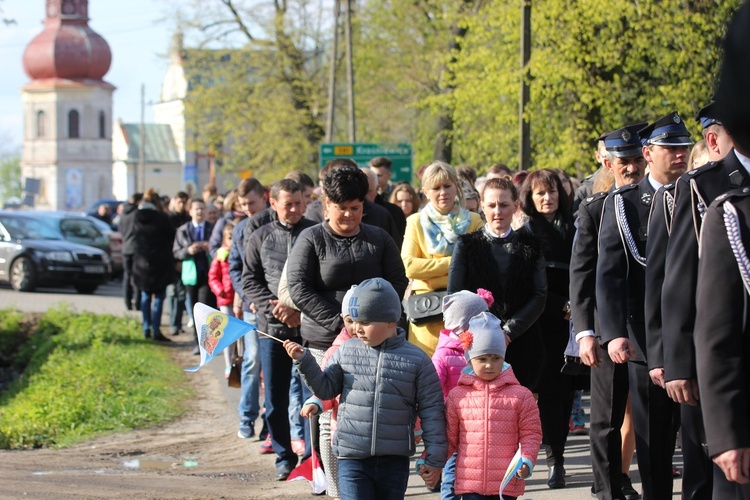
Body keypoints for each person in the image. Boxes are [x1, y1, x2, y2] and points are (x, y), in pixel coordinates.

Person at [286, 165, 408, 486]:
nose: (349, 216)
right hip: (325, 341)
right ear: (327, 205)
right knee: (329, 418)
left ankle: (369, 481)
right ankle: (335, 486)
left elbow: (397, 280)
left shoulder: (379, 238)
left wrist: (376, 322)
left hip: (375, 342)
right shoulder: (310, 239)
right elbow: (299, 288)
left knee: (371, 412)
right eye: (342, 209)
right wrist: (343, 324)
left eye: (356, 208)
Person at [283, 278, 447, 499]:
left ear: (391, 320)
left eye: (366, 322)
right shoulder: (346, 351)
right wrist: (304, 361)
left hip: (394, 460)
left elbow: (432, 411)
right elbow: (326, 390)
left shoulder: (417, 360)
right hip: (351, 457)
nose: (357, 329)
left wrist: (434, 458)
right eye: (355, 321)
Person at [598, 112, 691, 500]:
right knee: (653, 444)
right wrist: (614, 331)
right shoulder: (624, 203)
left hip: (694, 338)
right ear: (649, 153)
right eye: (671, 148)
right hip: (643, 338)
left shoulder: (699, 193)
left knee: (700, 445)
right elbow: (609, 274)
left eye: (685, 148)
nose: (681, 155)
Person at [660, 104, 743, 499]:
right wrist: (676, 362)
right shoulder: (701, 186)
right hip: (715, 356)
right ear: (714, 140)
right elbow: (677, 279)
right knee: (705, 471)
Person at [572, 124, 646, 500]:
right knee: (605, 419)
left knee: (651, 418)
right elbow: (581, 275)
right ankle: (606, 490)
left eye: (637, 160)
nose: (631, 169)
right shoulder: (595, 210)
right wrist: (584, 332)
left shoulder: (658, 203)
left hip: (650, 328)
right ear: (609, 164)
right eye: (624, 162)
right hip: (605, 330)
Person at [243, 179, 315, 481]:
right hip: (272, 330)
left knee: (315, 397)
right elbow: (250, 280)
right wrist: (276, 307)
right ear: (273, 203)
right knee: (275, 399)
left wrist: (300, 309)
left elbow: (322, 277)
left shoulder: (315, 233)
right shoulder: (259, 236)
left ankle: (313, 458)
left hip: (310, 327)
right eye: (289, 204)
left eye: (300, 203)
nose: (296, 209)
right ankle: (284, 456)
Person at [448, 177, 546, 392]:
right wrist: (484, 335)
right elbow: (455, 297)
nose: (498, 211)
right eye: (491, 205)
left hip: (524, 343)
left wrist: (508, 332)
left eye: (504, 205)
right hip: (478, 348)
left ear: (515, 207)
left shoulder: (531, 246)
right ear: (482, 207)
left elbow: (539, 295)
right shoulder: (466, 245)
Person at [445, 311, 542, 500]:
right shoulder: (458, 396)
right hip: (469, 483)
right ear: (470, 359)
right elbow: (449, 437)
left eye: (495, 358)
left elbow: (531, 433)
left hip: (505, 484)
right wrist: (430, 461)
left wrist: (527, 460)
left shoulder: (521, 395)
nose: (489, 365)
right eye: (482, 359)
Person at [519, 168, 576, 489]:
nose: (547, 198)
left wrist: (577, 307)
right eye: (540, 192)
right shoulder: (528, 231)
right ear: (530, 196)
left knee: (567, 394)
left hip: (577, 320)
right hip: (543, 322)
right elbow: (529, 283)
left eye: (552, 191)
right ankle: (551, 459)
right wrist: (560, 306)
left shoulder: (577, 225)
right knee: (547, 393)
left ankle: (560, 456)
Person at [401, 161, 483, 356]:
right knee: (426, 377)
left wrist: (431, 273)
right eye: (436, 188)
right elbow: (410, 267)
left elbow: (478, 266)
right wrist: (455, 263)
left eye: (447, 185)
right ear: (426, 192)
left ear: (456, 186)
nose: (442, 192)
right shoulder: (415, 222)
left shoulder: (474, 221)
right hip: (426, 315)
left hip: (465, 314)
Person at [432, 289, 493, 499]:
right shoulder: (444, 354)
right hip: (454, 426)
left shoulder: (484, 350)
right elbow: (433, 389)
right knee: (451, 473)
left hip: (480, 427)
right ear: (464, 324)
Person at [227, 177, 267, 442]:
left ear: (263, 197)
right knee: (253, 361)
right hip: (253, 306)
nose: (248, 209)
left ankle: (273, 422)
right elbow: (235, 268)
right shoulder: (240, 229)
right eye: (243, 205)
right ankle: (246, 418)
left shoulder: (275, 224)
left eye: (251, 203)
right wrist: (245, 296)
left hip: (275, 305)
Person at [131, 189, 175, 342]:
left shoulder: (136, 217)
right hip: (160, 261)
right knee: (159, 297)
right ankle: (156, 330)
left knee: (145, 296)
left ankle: (145, 327)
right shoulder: (162, 218)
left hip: (141, 261)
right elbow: (171, 236)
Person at [173, 198, 216, 354]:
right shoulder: (183, 230)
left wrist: (208, 247)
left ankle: (208, 342)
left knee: (205, 308)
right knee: (194, 309)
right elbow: (176, 252)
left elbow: (219, 246)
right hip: (191, 275)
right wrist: (188, 251)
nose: (199, 212)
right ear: (190, 211)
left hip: (208, 274)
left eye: (202, 209)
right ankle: (197, 343)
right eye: (196, 209)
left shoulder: (212, 228)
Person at [208, 221, 237, 378]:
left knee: (241, 334)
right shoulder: (221, 255)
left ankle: (238, 361)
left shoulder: (241, 253)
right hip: (226, 300)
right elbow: (213, 277)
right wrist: (220, 291)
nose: (232, 241)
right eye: (229, 237)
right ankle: (228, 364)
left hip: (239, 300)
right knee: (227, 333)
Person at [167, 191, 191, 336]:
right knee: (172, 293)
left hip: (185, 262)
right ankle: (173, 323)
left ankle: (178, 322)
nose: (181, 205)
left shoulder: (187, 218)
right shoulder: (169, 219)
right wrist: (174, 261)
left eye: (184, 202)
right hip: (172, 261)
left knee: (182, 294)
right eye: (179, 202)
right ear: (174, 201)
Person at [363, 167, 406, 246]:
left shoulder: (392, 213)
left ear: (377, 189)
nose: (363, 197)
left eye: (368, 192)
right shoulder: (346, 213)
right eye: (359, 191)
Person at [118, 192, 143, 312]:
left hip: (125, 247)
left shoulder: (123, 213)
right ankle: (137, 303)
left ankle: (127, 302)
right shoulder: (136, 214)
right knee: (137, 276)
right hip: (136, 248)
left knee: (127, 276)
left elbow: (121, 230)